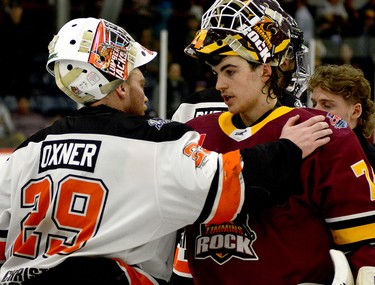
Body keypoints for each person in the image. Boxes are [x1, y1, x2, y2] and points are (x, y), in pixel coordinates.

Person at [0, 17, 332, 284]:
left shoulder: (24, 153)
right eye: (139, 81)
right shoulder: (154, 143)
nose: (145, 94)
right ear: (117, 85)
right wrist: (287, 149)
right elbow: (228, 184)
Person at [170, 0, 375, 284]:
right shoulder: (193, 134)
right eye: (216, 73)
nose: (218, 85)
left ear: (265, 70)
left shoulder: (325, 133)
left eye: (230, 71)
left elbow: (365, 247)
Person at [171, 10, 310, 123]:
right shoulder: (295, 112)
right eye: (223, 72)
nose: (220, 85)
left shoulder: (191, 105)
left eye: (230, 72)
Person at [308, 64, 375, 168]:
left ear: (355, 111)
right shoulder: (309, 150)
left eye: (327, 105)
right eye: (314, 104)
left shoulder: (370, 161)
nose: (314, 111)